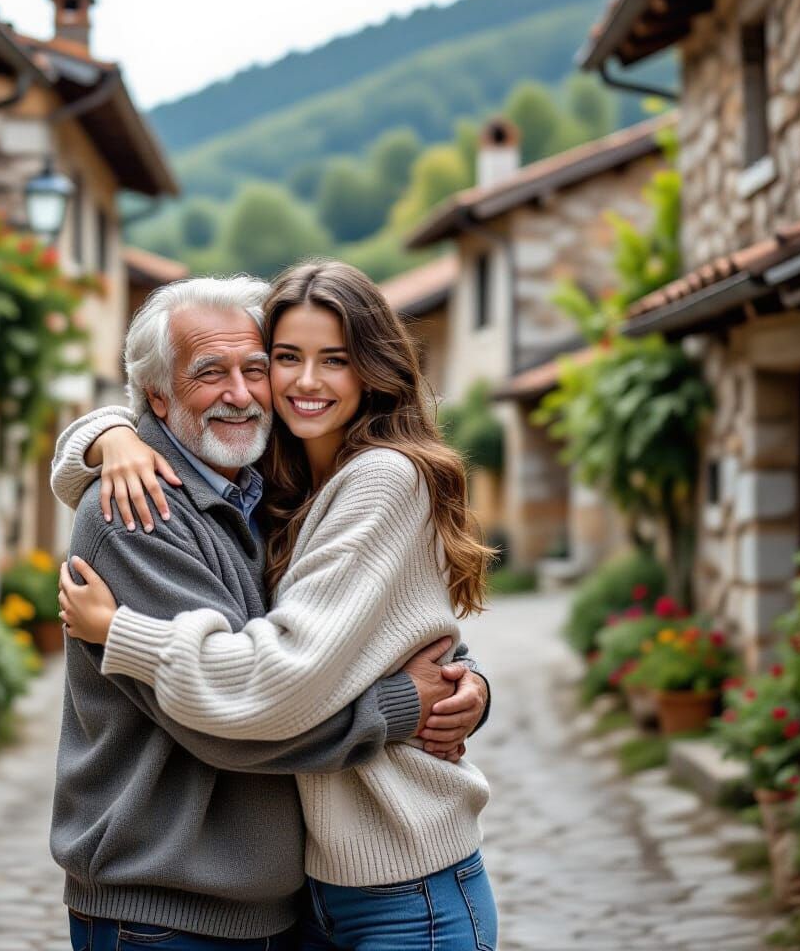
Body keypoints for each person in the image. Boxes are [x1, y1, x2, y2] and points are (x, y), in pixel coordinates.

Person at [56, 260, 497, 950]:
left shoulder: (290, 486)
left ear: (371, 371)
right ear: (157, 399)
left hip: (350, 891)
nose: (248, 391)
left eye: (256, 366)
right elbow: (234, 724)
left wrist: (464, 683)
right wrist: (104, 436)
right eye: (210, 371)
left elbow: (391, 637)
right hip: (164, 914)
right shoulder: (138, 507)